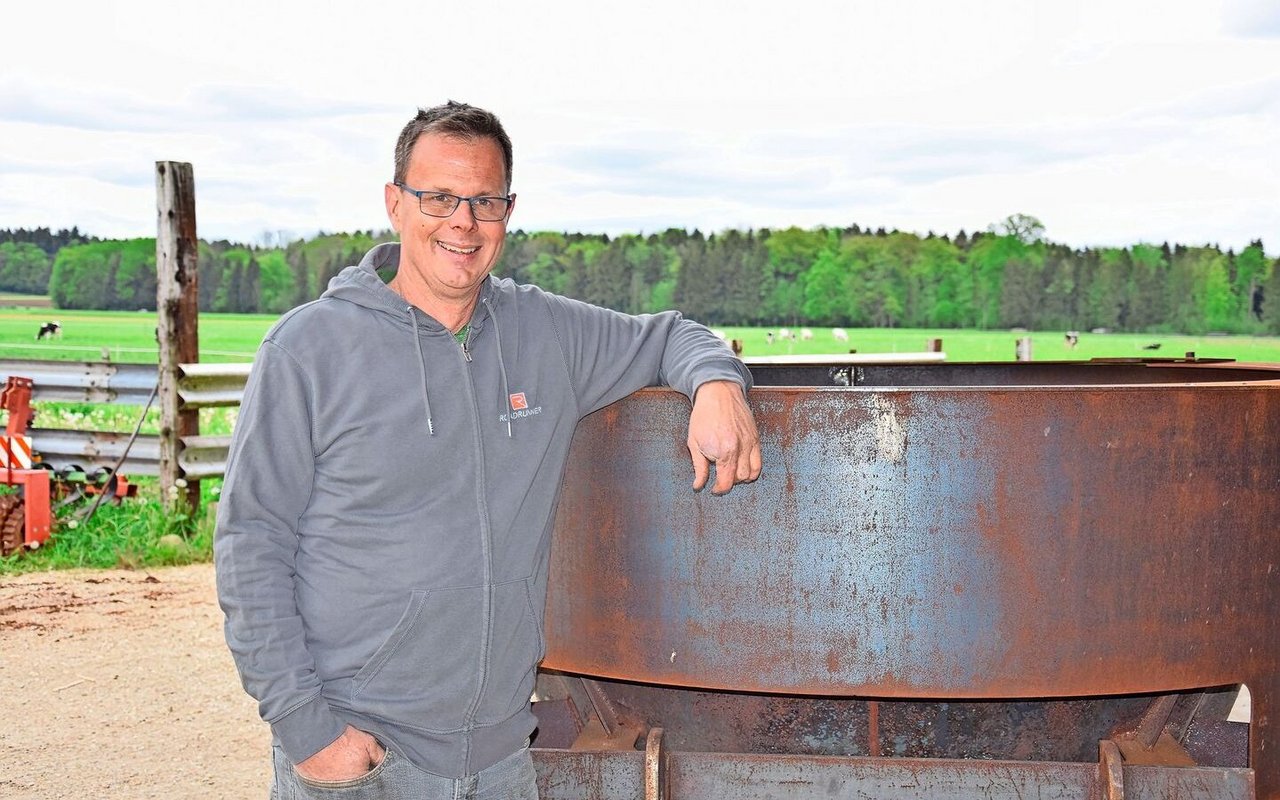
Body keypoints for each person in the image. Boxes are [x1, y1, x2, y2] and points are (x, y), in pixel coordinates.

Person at [215, 101, 761, 799]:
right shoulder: (308, 349)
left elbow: (672, 334)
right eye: (438, 198)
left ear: (509, 209)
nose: (462, 223)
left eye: (484, 201)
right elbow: (250, 544)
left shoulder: (545, 333)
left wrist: (718, 384)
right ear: (395, 203)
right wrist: (308, 733)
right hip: (364, 756)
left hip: (501, 759)